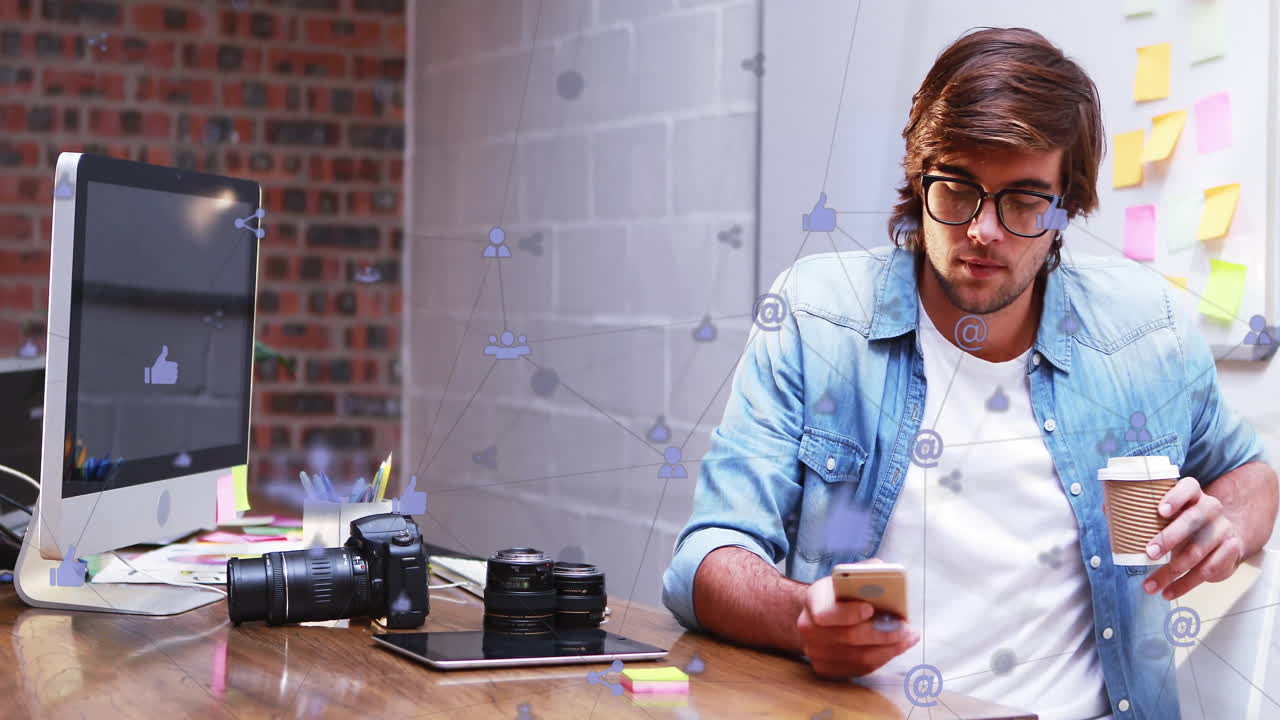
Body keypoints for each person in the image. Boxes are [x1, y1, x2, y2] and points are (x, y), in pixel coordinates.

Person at [661, 27, 1277, 720]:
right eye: (956, 188)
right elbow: (707, 559)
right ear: (918, 173)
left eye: (1022, 201)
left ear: (1065, 206)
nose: (983, 230)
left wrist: (1225, 524)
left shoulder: (1148, 331)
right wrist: (801, 616)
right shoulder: (817, 318)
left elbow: (1253, 474)